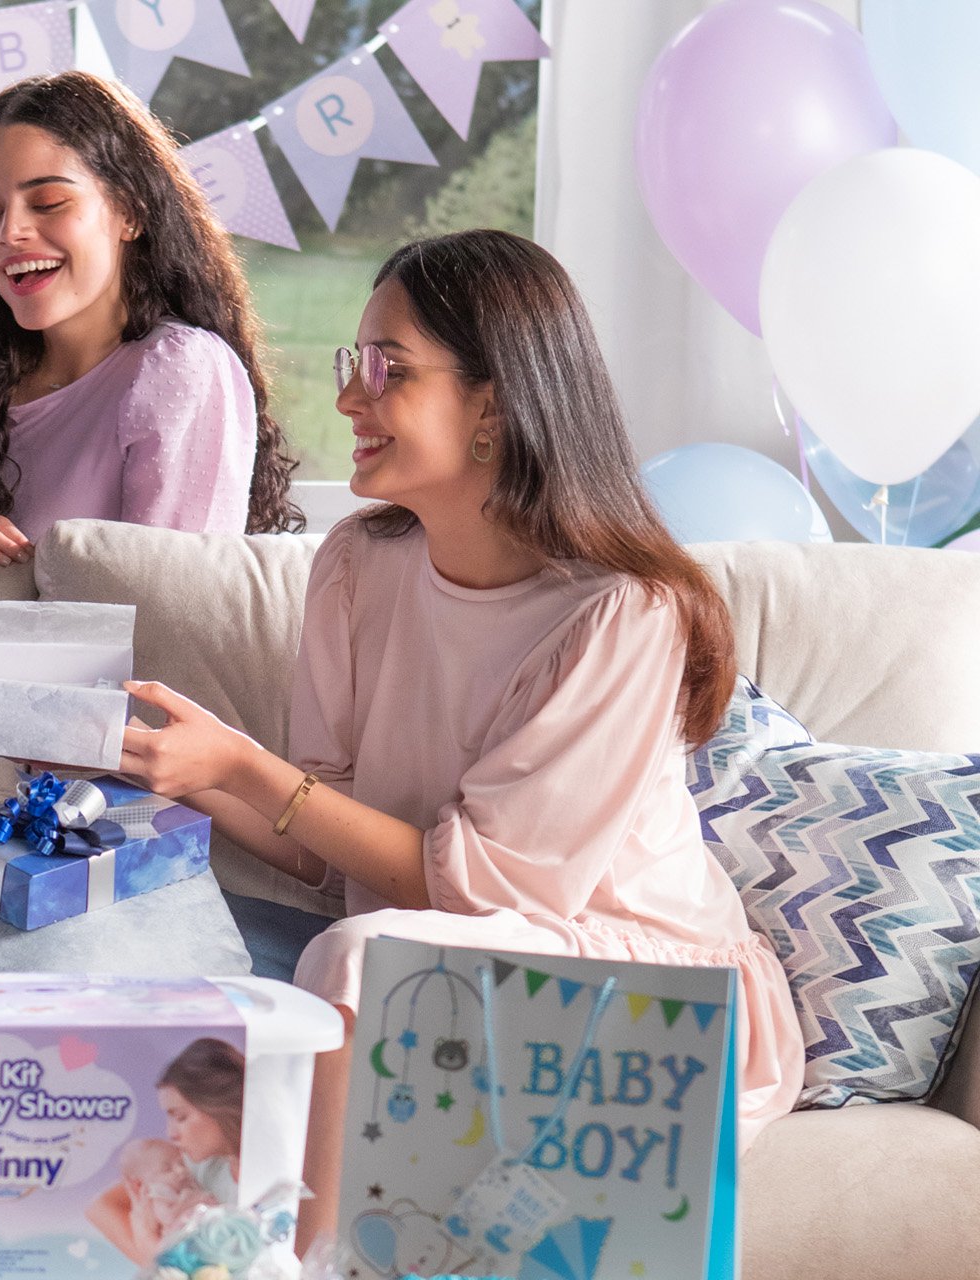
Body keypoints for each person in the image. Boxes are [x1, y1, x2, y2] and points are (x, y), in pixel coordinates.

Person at [111, 230, 803, 1247]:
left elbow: (489, 885)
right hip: (426, 949)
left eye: (385, 366)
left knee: (356, 955)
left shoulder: (623, 613)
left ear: (495, 404)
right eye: (355, 363)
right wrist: (176, 764)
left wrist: (249, 766)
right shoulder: (355, 564)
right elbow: (318, 844)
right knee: (152, 946)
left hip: (644, 988)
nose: (349, 396)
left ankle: (314, 1262)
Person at [0, 71, 301, 563]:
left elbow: (169, 612)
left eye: (48, 203)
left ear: (130, 212)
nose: (9, 233)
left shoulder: (180, 372)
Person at [88, 1037, 245, 1265]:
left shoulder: (266, 1180)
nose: (170, 1133)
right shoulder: (192, 1165)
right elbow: (100, 1208)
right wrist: (154, 1256)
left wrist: (152, 1249)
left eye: (180, 1117)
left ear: (220, 1107)